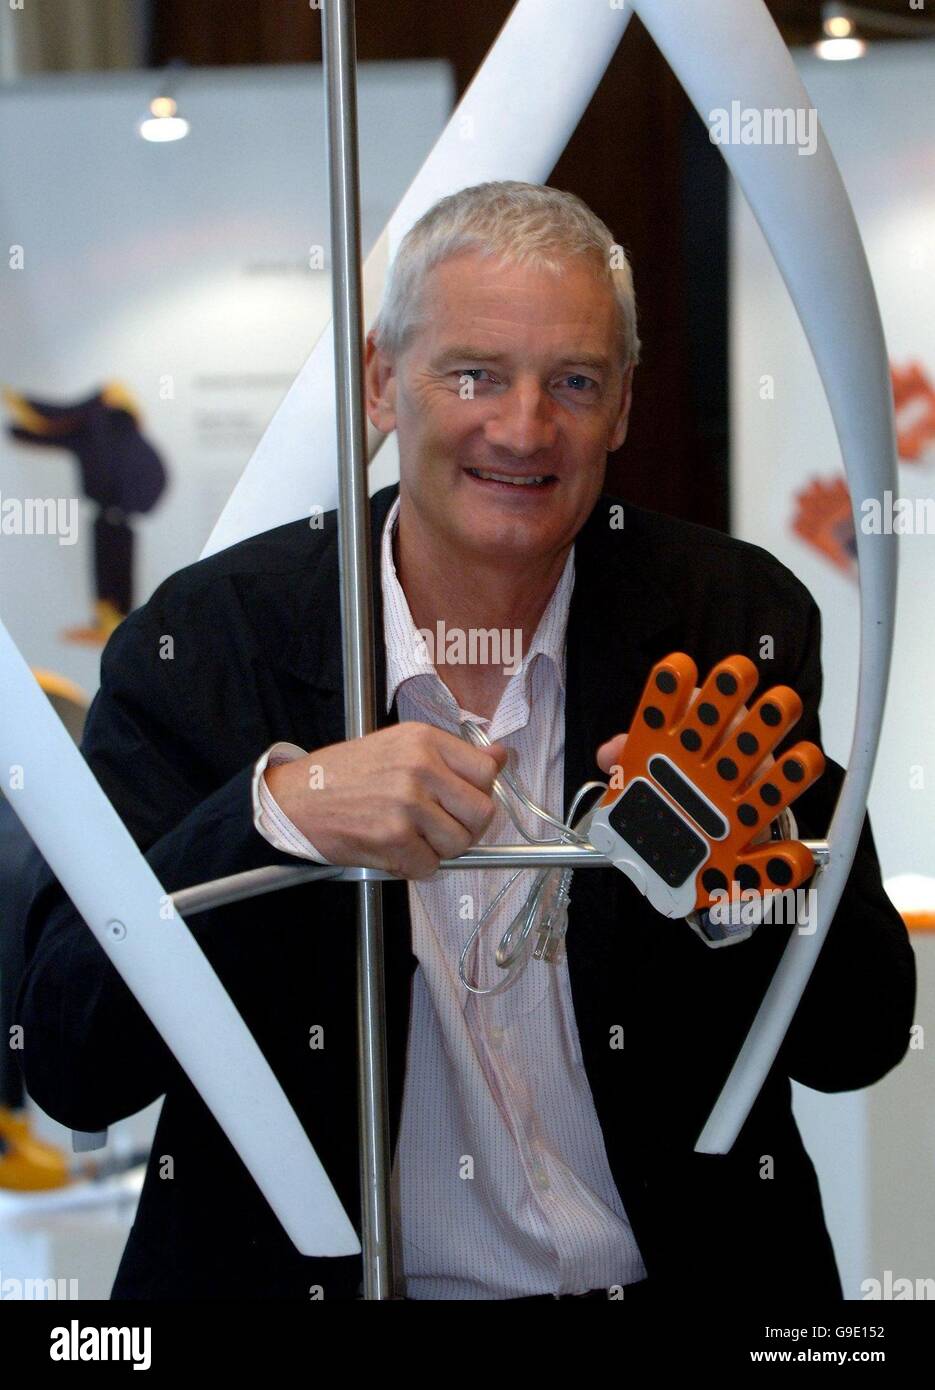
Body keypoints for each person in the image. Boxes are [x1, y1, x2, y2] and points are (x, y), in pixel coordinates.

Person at [16, 181, 915, 1301]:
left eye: (573, 382)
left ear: (623, 405)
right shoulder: (209, 643)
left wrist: (749, 879)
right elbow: (61, 1055)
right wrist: (274, 818)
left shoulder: (722, 615)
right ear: (383, 381)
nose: (524, 427)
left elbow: (861, 1037)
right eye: (474, 373)